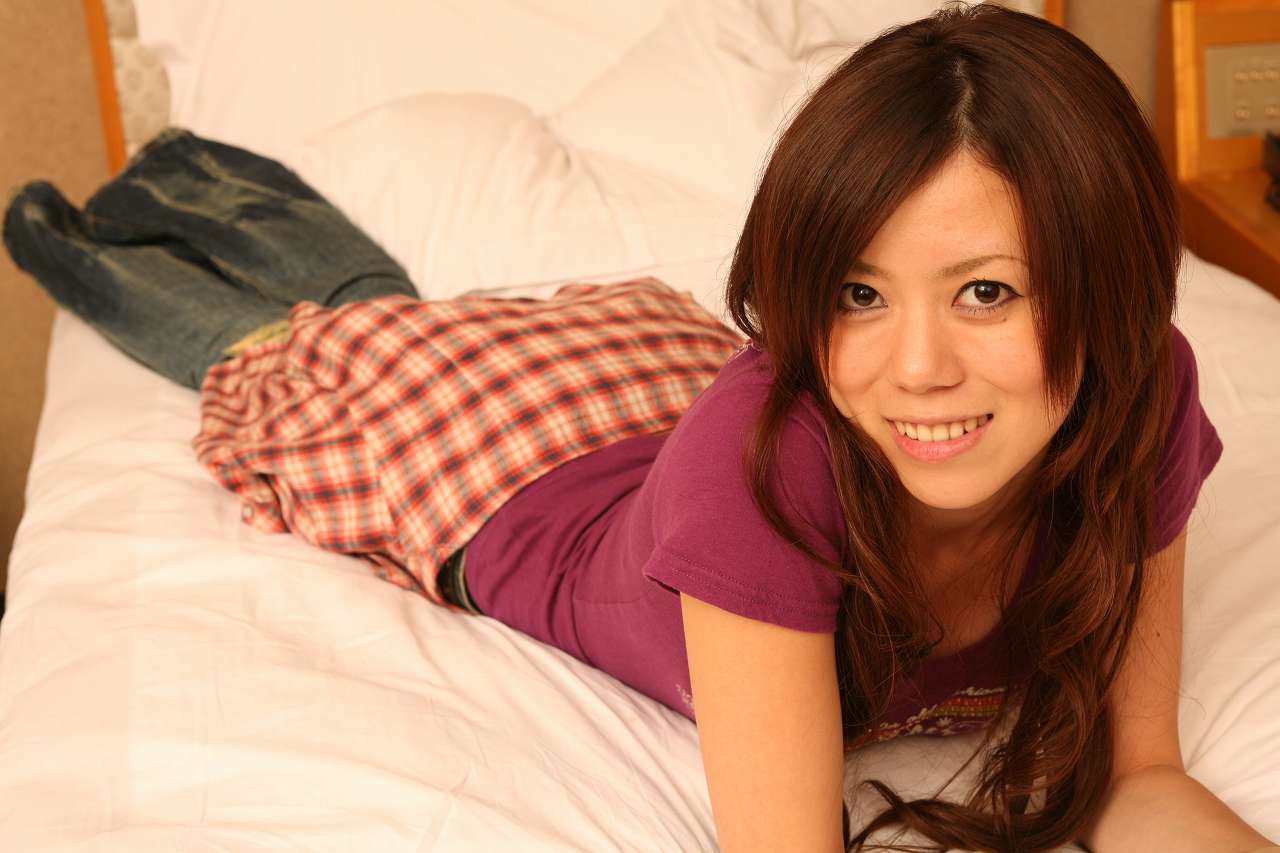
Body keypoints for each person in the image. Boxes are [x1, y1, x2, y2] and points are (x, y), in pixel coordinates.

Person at [4, 4, 1276, 852]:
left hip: (660, 406)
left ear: (1109, 288)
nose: (918, 370)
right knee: (303, 347)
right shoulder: (766, 472)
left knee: (377, 312)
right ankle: (141, 193)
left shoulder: (1141, 393)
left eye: (986, 292)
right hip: (517, 480)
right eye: (855, 292)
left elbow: (1139, 777)